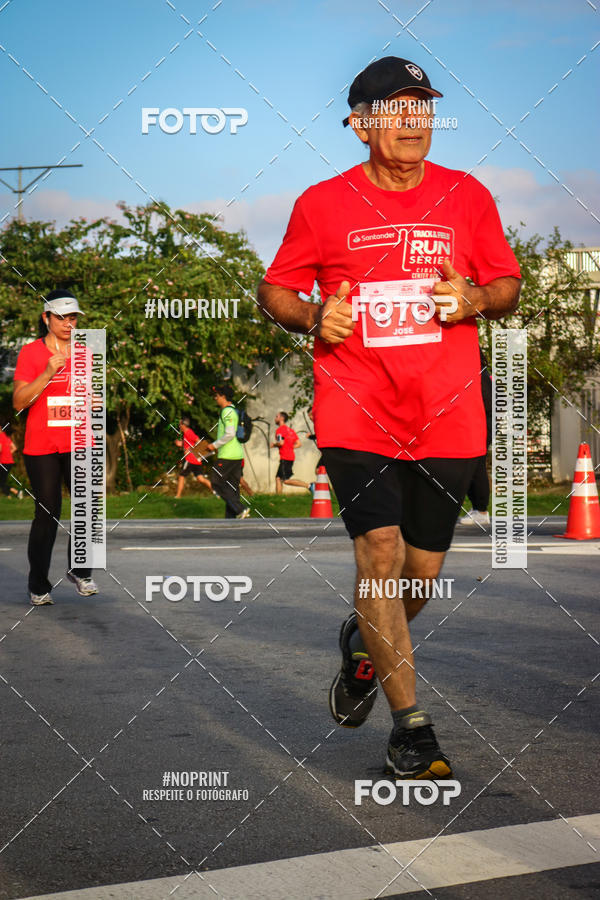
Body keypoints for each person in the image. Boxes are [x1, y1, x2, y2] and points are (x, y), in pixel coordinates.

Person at [257, 56, 520, 779]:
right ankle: (412, 730)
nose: (414, 122)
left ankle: (366, 648)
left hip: (449, 414)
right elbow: (274, 290)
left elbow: (507, 285)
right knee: (378, 550)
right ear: (361, 123)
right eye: (396, 109)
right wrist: (314, 317)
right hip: (357, 409)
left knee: (417, 579)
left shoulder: (467, 196)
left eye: (423, 107)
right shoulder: (321, 203)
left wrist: (475, 299)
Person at [13, 289, 99, 605]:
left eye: (73, 317)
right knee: (48, 513)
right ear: (46, 318)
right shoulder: (30, 353)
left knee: (88, 508)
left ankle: (81, 570)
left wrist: (93, 402)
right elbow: (20, 402)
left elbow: (86, 398)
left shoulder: (87, 353)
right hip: (42, 445)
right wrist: (48, 372)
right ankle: (38, 584)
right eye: (61, 317)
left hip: (79, 441)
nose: (68, 323)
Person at [206, 385, 250, 519]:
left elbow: (230, 434)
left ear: (223, 396)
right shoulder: (234, 411)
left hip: (228, 455)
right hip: (237, 455)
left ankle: (239, 509)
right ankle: (230, 520)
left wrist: (214, 445)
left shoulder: (227, 412)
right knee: (232, 487)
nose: (215, 398)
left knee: (216, 482)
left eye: (217, 396)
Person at [459, 349, 492, 526]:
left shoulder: (476, 374)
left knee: (475, 463)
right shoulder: (481, 372)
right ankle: (479, 509)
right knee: (474, 464)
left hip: (479, 422)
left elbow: (486, 402)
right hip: (480, 421)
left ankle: (480, 509)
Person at [270, 411, 312, 494]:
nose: (275, 418)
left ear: (282, 418)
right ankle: (279, 498)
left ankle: (309, 486)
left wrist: (274, 445)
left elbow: (280, 443)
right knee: (278, 478)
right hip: (291, 456)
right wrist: (289, 447)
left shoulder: (280, 430)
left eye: (276, 416)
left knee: (285, 480)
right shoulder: (291, 430)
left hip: (285, 457)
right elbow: (299, 444)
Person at [175, 416, 212, 497]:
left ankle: (178, 496)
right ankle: (217, 493)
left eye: (180, 424)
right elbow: (188, 445)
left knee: (181, 476)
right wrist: (181, 444)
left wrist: (190, 450)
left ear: (183, 425)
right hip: (196, 460)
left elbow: (198, 442)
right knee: (200, 479)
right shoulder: (186, 433)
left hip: (190, 459)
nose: (179, 426)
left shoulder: (188, 432)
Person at [0, 425, 22, 498]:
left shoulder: (0, 436)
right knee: (2, 481)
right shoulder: (7, 437)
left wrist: (4, 454)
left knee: (1, 482)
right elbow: (14, 448)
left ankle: (16, 492)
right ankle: (9, 496)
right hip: (9, 462)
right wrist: (8, 453)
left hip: (3, 462)